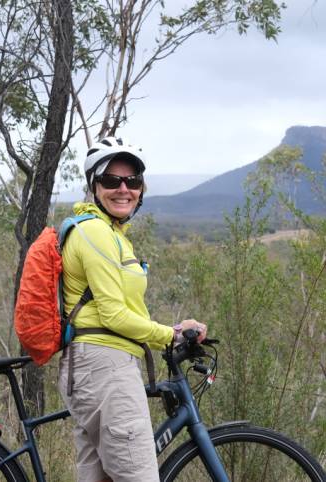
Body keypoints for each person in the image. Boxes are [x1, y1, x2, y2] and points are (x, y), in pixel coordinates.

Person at [57, 137, 207, 482]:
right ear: (95, 186)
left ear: (142, 188)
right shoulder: (95, 232)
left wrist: (171, 327)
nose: (123, 189)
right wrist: (168, 336)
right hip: (104, 368)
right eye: (111, 181)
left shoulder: (110, 233)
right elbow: (112, 316)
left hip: (94, 366)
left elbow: (117, 309)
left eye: (132, 181)